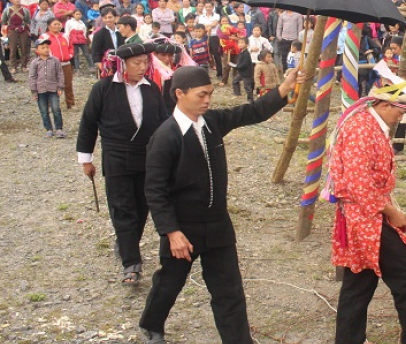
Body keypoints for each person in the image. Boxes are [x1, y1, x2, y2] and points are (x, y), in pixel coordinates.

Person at [138, 65, 301, 344]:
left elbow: (249, 113)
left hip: (218, 224)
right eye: (202, 95)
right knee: (169, 283)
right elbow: (154, 190)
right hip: (183, 229)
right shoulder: (165, 137)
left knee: (229, 290)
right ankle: (151, 324)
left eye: (210, 94)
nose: (207, 100)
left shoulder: (211, 122)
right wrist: (171, 231)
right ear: (179, 94)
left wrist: (283, 89)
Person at [323, 77, 406, 344]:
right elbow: (359, 183)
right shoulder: (361, 128)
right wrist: (390, 212)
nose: (401, 118)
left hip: (364, 215)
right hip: (366, 218)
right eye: (399, 111)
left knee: (359, 284)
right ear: (381, 103)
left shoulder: (370, 125)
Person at [77, 42, 168, 283]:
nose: (142, 67)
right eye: (136, 63)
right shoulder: (103, 89)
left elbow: (164, 122)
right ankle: (131, 264)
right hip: (116, 157)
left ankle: (126, 243)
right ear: (122, 64)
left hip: (146, 158)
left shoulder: (151, 90)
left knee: (141, 208)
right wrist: (86, 159)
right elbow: (88, 123)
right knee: (122, 209)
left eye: (145, 62)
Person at [29, 37, 65, 138]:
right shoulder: (35, 62)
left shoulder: (55, 60)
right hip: (40, 90)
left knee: (56, 109)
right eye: (42, 47)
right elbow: (32, 77)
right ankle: (49, 129)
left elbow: (60, 74)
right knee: (44, 111)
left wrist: (60, 87)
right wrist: (34, 91)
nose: (46, 49)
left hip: (53, 89)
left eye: (47, 47)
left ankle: (59, 128)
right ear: (37, 50)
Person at [45, 19, 75, 109]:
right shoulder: (44, 37)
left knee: (68, 84)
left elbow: (71, 47)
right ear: (49, 26)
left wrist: (69, 55)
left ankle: (70, 103)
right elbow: (40, 49)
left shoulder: (65, 36)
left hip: (66, 63)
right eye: (54, 24)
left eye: (58, 24)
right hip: (51, 64)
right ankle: (50, 104)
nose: (57, 26)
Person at [2, 0, 31, 72]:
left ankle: (24, 66)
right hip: (12, 31)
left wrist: (28, 30)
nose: (17, 0)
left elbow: (28, 20)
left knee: (24, 48)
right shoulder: (7, 10)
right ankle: (13, 67)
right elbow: (4, 21)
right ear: (11, 0)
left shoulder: (25, 10)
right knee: (13, 49)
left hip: (23, 30)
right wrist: (4, 33)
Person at [233, 37, 254, 101]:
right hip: (241, 72)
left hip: (246, 73)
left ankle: (250, 99)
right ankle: (237, 94)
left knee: (247, 87)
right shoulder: (241, 52)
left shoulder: (246, 53)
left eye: (242, 43)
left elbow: (245, 64)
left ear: (246, 44)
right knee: (235, 81)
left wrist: (237, 66)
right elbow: (240, 62)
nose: (240, 44)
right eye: (239, 43)